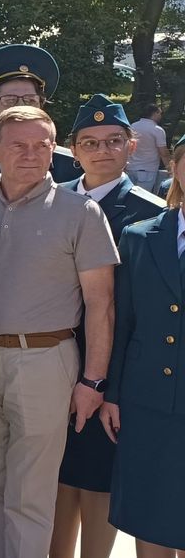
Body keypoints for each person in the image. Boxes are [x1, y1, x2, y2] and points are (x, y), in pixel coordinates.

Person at [0, 105, 118, 558]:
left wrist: (93, 380)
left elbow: (100, 303)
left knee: (31, 494)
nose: (31, 155)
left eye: (41, 146)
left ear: (54, 150)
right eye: (18, 145)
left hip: (45, 361)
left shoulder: (80, 212)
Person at [48, 95, 166, 558]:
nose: (103, 150)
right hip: (50, 356)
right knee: (54, 475)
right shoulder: (52, 199)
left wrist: (108, 382)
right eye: (90, 142)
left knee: (98, 477)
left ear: (132, 145)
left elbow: (138, 309)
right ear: (73, 150)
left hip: (109, 364)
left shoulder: (147, 214)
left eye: (114, 141)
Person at [102, 143, 185, 558]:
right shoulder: (140, 236)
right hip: (147, 398)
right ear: (176, 167)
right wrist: (112, 393)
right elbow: (124, 323)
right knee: (149, 509)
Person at [0, 44, 83, 192]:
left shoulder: (74, 167)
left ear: (41, 105)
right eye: (10, 100)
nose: (21, 106)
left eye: (30, 99)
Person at [124, 103, 168, 193]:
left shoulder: (132, 126)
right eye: (160, 113)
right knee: (143, 199)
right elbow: (163, 153)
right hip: (148, 170)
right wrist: (170, 169)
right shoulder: (157, 130)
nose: (160, 116)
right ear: (155, 113)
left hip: (130, 168)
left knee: (128, 197)